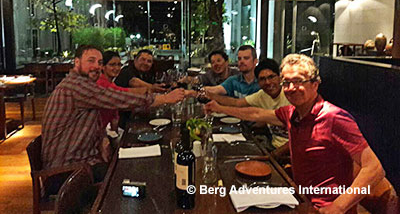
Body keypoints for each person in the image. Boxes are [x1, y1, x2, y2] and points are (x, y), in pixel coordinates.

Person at [206, 54, 385, 213]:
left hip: (325, 207)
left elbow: (375, 169)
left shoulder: (334, 118)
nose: (291, 88)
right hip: (301, 201)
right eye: (286, 82)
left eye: (299, 81)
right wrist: (219, 108)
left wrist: (338, 206)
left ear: (315, 84)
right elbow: (256, 113)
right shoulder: (292, 113)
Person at [41, 45, 184, 186]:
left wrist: (102, 138)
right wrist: (164, 99)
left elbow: (90, 119)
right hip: (66, 171)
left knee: (132, 163)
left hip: (79, 162)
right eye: (91, 61)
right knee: (133, 171)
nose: (96, 66)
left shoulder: (80, 84)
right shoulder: (76, 86)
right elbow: (119, 98)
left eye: (99, 62)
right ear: (76, 62)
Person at [207, 59, 290, 155]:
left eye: (271, 77)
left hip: (289, 154)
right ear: (258, 82)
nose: (267, 82)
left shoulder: (290, 96)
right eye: (262, 79)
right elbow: (237, 103)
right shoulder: (262, 95)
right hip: (272, 147)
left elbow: (256, 114)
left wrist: (275, 155)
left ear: (280, 77)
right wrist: (212, 99)